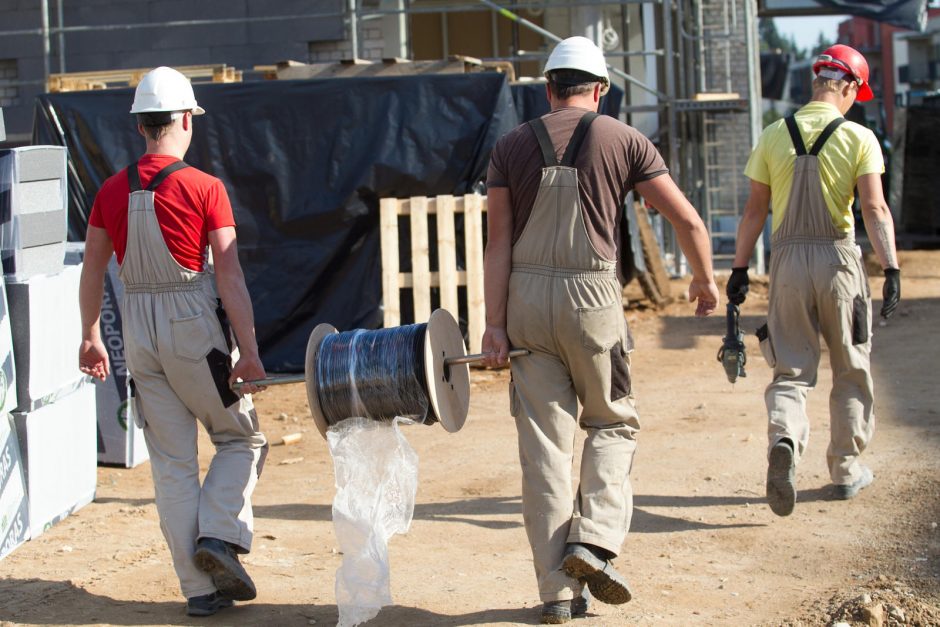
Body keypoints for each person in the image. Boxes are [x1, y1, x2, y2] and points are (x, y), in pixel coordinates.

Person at [481, 36, 719, 624]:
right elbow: (686, 218)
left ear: (548, 87)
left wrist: (492, 325)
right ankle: (594, 540)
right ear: (601, 88)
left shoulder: (511, 144)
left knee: (543, 452)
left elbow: (498, 242)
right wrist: (704, 280)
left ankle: (555, 595)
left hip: (526, 302)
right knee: (612, 422)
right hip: (592, 300)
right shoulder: (625, 140)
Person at [78, 66, 269, 617]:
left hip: (138, 330)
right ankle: (217, 536)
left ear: (141, 126)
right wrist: (250, 351)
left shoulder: (109, 191)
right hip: (194, 328)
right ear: (186, 120)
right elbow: (229, 275)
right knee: (242, 439)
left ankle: (198, 591)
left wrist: (91, 336)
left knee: (171, 463)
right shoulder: (205, 187)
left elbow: (93, 271)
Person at [726, 44, 901, 518]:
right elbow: (874, 209)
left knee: (791, 371)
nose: (854, 102)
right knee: (850, 365)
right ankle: (845, 469)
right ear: (846, 86)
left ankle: (785, 437)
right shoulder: (859, 137)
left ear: (817, 82)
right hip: (839, 262)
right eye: (855, 94)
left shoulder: (772, 135)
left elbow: (754, 212)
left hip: (786, 262)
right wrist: (891, 268)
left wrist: (740, 270)